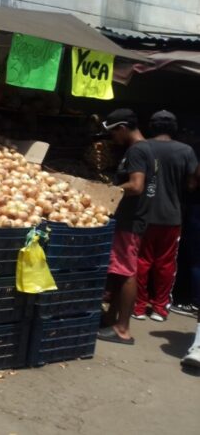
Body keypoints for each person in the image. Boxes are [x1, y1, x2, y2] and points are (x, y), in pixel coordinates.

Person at [98, 109, 157, 345]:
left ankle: (123, 329)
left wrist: (109, 192)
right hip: (132, 219)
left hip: (130, 220)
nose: (113, 138)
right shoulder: (144, 149)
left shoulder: (137, 150)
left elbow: (136, 186)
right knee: (121, 270)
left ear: (122, 128)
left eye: (113, 133)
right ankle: (112, 319)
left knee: (125, 271)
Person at [133, 111, 198, 321]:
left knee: (141, 262)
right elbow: (191, 184)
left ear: (151, 126)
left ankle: (139, 307)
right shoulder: (186, 151)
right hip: (172, 217)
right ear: (174, 128)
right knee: (166, 263)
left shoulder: (141, 147)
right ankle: (160, 308)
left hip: (144, 215)